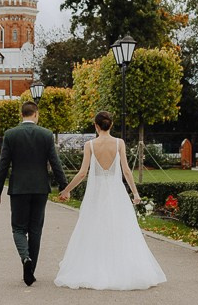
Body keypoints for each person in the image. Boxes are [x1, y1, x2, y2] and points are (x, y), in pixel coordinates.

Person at [54, 111, 166, 291]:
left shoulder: (89, 145)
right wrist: (135, 193)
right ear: (111, 125)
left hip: (96, 194)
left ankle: (95, 266)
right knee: (120, 228)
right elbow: (127, 171)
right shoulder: (119, 143)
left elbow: (82, 173)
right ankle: (120, 267)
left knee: (93, 228)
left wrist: (66, 190)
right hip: (116, 193)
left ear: (96, 126)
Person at [0, 100, 68, 286]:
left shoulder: (10, 135)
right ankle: (31, 271)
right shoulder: (46, 135)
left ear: (21, 115)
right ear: (35, 114)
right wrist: (64, 187)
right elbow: (55, 163)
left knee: (18, 228)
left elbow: (3, 165)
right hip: (40, 188)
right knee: (35, 230)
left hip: (18, 189)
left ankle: (25, 259)